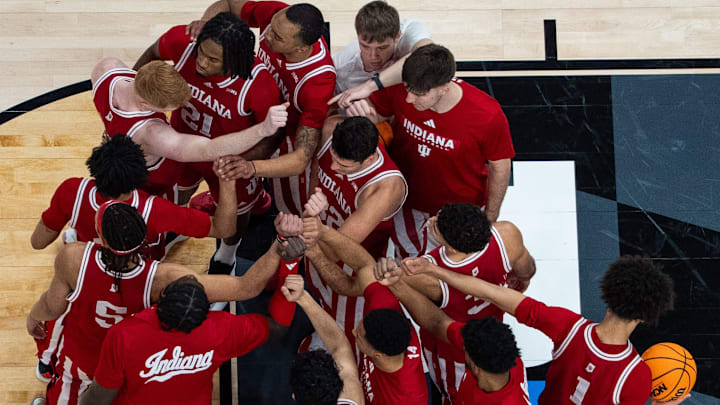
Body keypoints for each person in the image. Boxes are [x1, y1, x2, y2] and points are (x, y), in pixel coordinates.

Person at [26, 201, 300, 404]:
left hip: (87, 358)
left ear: (102, 238)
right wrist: (280, 247)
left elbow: (52, 306)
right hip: (138, 362)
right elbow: (246, 286)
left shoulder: (75, 257)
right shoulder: (166, 279)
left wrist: (33, 316)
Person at [29, 135, 238, 383]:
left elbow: (37, 242)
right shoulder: (154, 209)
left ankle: (47, 364)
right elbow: (224, 228)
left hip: (85, 276)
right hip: (140, 283)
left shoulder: (72, 191)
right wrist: (227, 183)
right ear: (136, 181)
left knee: (62, 312)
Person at [399, 255, 680, 405]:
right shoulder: (637, 376)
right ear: (645, 317)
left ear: (608, 295)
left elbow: (495, 294)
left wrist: (437, 272)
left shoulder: (568, 327)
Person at [133, 12, 284, 275]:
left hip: (227, 157)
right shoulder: (184, 43)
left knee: (237, 211)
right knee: (176, 191)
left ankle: (227, 255)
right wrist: (136, 94)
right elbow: (154, 51)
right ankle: (174, 228)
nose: (202, 62)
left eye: (212, 59)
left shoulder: (258, 84)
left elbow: (273, 134)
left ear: (234, 59)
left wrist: (247, 162)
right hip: (183, 146)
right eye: (201, 53)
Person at [344, 44, 515, 258]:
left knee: (456, 271)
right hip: (408, 203)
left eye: (418, 94)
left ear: (444, 87)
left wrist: (490, 216)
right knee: (408, 265)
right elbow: (377, 114)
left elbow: (500, 166)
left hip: (460, 211)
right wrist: (362, 110)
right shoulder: (405, 88)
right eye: (407, 89)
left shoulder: (487, 115)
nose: (409, 99)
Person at [196, 0, 336, 216]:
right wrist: (205, 27)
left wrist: (251, 167)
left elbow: (300, 159)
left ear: (301, 48)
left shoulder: (318, 82)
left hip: (285, 136)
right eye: (270, 27)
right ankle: (253, 197)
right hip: (253, 111)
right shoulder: (278, 15)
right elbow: (229, 4)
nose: (267, 35)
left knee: (292, 210)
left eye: (277, 37)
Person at [91, 56, 288, 202]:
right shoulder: (152, 134)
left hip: (115, 157)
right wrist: (263, 129)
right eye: (170, 108)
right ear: (145, 105)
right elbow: (209, 149)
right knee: (154, 219)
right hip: (153, 183)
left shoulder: (107, 69)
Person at [77, 272, 292, 405]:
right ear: (205, 312)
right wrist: (289, 266)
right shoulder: (222, 328)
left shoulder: (124, 334)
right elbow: (277, 327)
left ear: (161, 299)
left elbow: (98, 398)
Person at [397, 203, 535, 402]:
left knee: (450, 397)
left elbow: (430, 318)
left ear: (451, 246)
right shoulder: (507, 235)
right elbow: (526, 273)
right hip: (492, 335)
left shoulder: (426, 274)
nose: (433, 220)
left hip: (449, 348)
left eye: (438, 223)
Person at [300, 216, 428, 404]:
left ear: (378, 355)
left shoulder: (405, 398)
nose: (353, 331)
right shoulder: (384, 311)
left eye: (358, 335)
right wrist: (321, 235)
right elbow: (365, 266)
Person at [386, 260, 531, 405]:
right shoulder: (491, 351)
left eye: (465, 349)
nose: (462, 345)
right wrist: (395, 282)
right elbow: (438, 322)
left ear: (475, 366)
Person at [332, 0, 431, 95]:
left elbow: (428, 54)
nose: (373, 56)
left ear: (397, 36)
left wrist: (369, 86)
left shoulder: (408, 31)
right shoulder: (340, 66)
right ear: (357, 36)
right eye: (365, 46)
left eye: (382, 48)